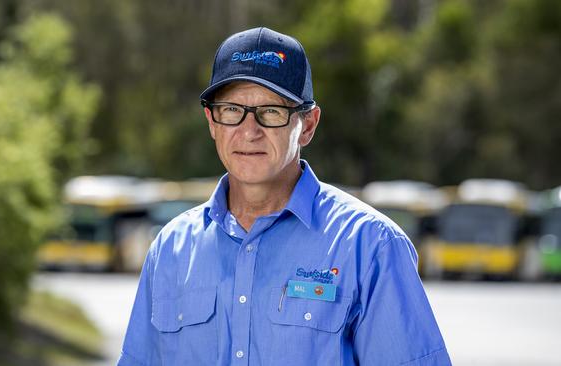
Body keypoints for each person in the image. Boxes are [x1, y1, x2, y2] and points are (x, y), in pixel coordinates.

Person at [117, 27, 451, 366]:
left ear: (307, 125)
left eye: (271, 111)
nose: (249, 132)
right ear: (212, 122)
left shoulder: (371, 246)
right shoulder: (170, 250)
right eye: (232, 110)